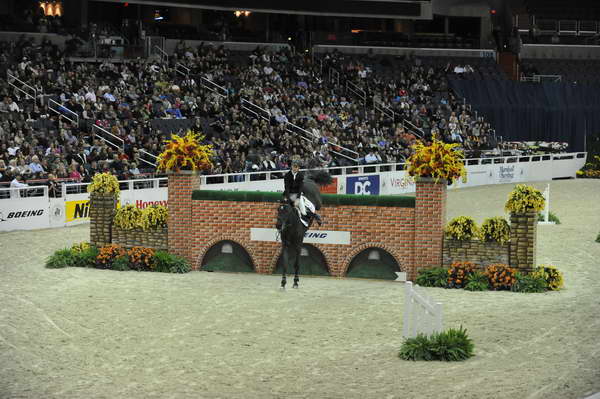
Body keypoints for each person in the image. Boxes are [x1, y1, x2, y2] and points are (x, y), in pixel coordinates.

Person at [283, 160, 322, 226]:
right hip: (288, 194)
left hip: (297, 195)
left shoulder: (300, 175)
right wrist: (288, 198)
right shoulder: (287, 175)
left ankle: (315, 216)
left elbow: (300, 188)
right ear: (291, 167)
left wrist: (298, 198)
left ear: (298, 168)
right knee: (282, 210)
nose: (295, 168)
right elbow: (286, 187)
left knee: (303, 212)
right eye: (294, 167)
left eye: (296, 167)